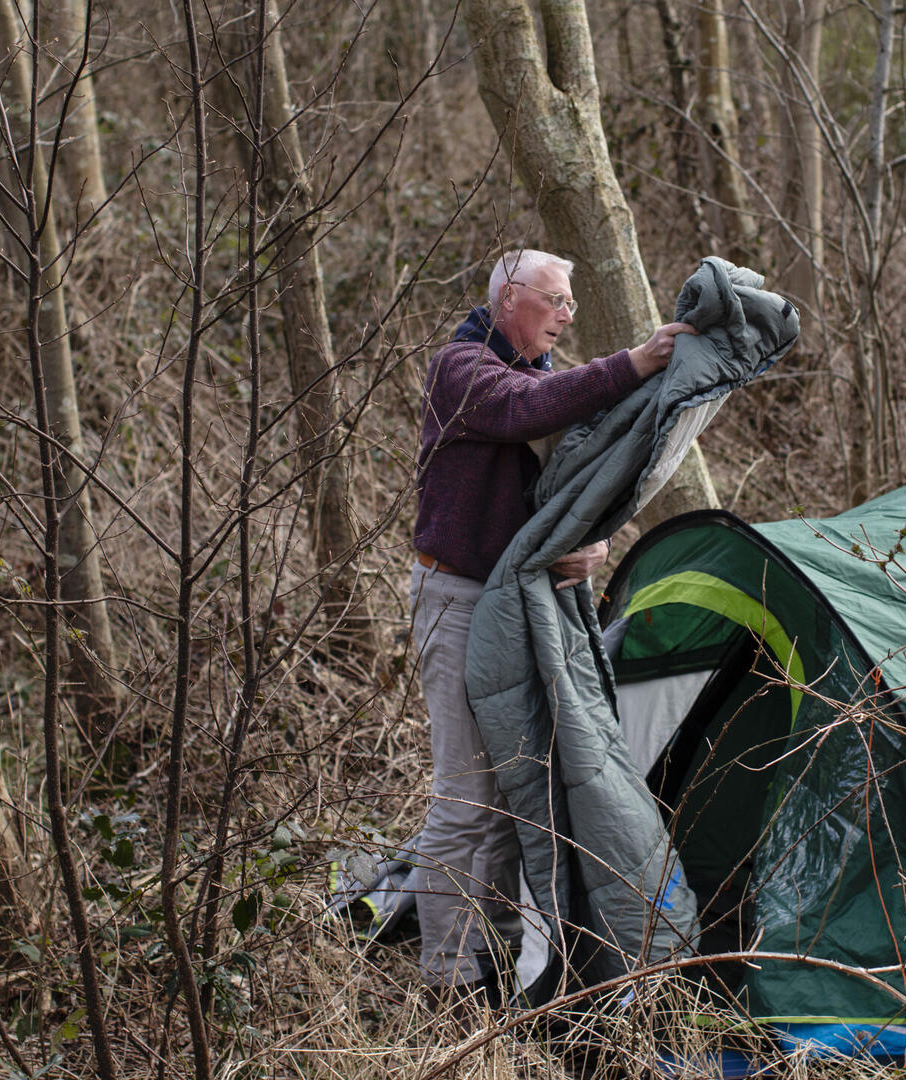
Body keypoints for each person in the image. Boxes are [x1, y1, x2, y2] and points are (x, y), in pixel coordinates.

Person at [404, 249, 693, 997]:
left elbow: (557, 490)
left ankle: (492, 964)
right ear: (509, 299)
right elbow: (525, 410)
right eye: (556, 302)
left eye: (570, 303)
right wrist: (634, 362)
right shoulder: (462, 369)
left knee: (508, 798)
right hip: (458, 599)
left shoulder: (533, 377)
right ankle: (444, 988)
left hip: (514, 606)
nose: (567, 316)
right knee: (466, 798)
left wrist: (589, 543)